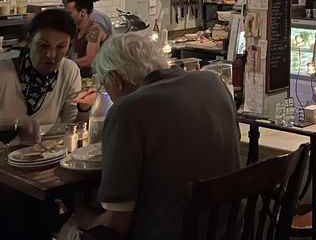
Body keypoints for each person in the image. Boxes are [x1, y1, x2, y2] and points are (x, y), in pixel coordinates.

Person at [76, 32, 240, 240]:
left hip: (171, 232)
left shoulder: (129, 110)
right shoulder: (213, 83)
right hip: (225, 228)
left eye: (104, 84)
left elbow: (117, 222)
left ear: (116, 79)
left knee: (71, 227)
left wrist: (81, 217)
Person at [0, 9, 95, 145]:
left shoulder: (68, 70)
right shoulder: (3, 72)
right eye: (43, 46)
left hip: (45, 154)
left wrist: (84, 108)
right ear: (29, 40)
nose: (51, 54)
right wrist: (16, 124)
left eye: (61, 47)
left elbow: (72, 126)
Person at [64, 0, 109, 76]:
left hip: (97, 79)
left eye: (70, 13)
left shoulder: (94, 30)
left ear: (83, 13)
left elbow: (90, 60)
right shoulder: (76, 30)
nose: (67, 16)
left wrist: (63, 64)